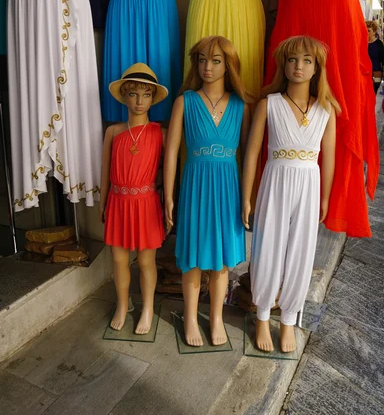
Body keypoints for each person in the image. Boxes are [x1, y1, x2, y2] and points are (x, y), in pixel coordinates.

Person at [242, 36, 339, 353]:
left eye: (307, 60)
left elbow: (329, 158)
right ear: (283, 65)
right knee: (268, 244)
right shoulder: (269, 104)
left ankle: (288, 319)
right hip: (275, 181)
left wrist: (324, 198)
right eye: (293, 59)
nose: (299, 66)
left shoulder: (326, 111)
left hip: (309, 184)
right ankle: (261, 315)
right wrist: (247, 196)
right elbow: (252, 153)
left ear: (316, 68)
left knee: (301, 251)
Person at [164, 36, 252, 347]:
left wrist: (246, 199)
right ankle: (190, 316)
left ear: (228, 65)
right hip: (195, 187)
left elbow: (248, 155)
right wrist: (169, 196)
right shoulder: (184, 101)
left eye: (215, 60)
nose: (207, 67)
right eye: (202, 60)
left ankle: (215, 318)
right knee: (192, 257)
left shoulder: (241, 106)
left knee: (222, 261)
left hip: (228, 188)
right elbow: (172, 151)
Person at [100, 64, 168, 332]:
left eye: (146, 94)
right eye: (134, 94)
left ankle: (148, 307)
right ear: (125, 96)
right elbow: (104, 171)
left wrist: (168, 202)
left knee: (145, 260)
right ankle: (122, 303)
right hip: (118, 202)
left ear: (153, 98)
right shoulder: (113, 132)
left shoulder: (159, 134)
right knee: (118, 259)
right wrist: (104, 203)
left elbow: (169, 170)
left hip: (146, 203)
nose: (140, 101)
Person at [366, 21, 384, 94]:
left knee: (373, 92)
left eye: (369, 30)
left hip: (376, 73)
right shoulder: (362, 42)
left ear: (374, 31)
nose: (366, 32)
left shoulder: (379, 44)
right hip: (364, 73)